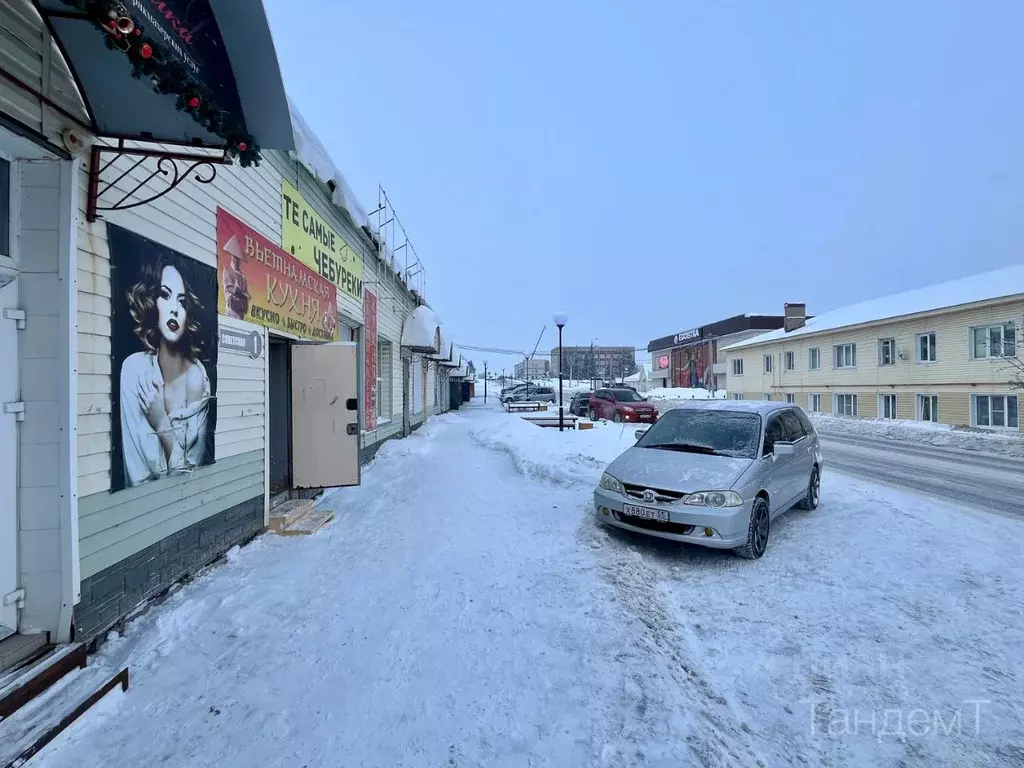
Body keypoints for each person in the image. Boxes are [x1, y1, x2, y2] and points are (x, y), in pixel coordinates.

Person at [119, 258, 212, 486]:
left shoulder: (197, 379)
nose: (174, 308)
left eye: (182, 302)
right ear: (152, 301)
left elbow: (191, 471)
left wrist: (161, 424)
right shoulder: (134, 371)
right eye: (165, 295)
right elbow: (137, 476)